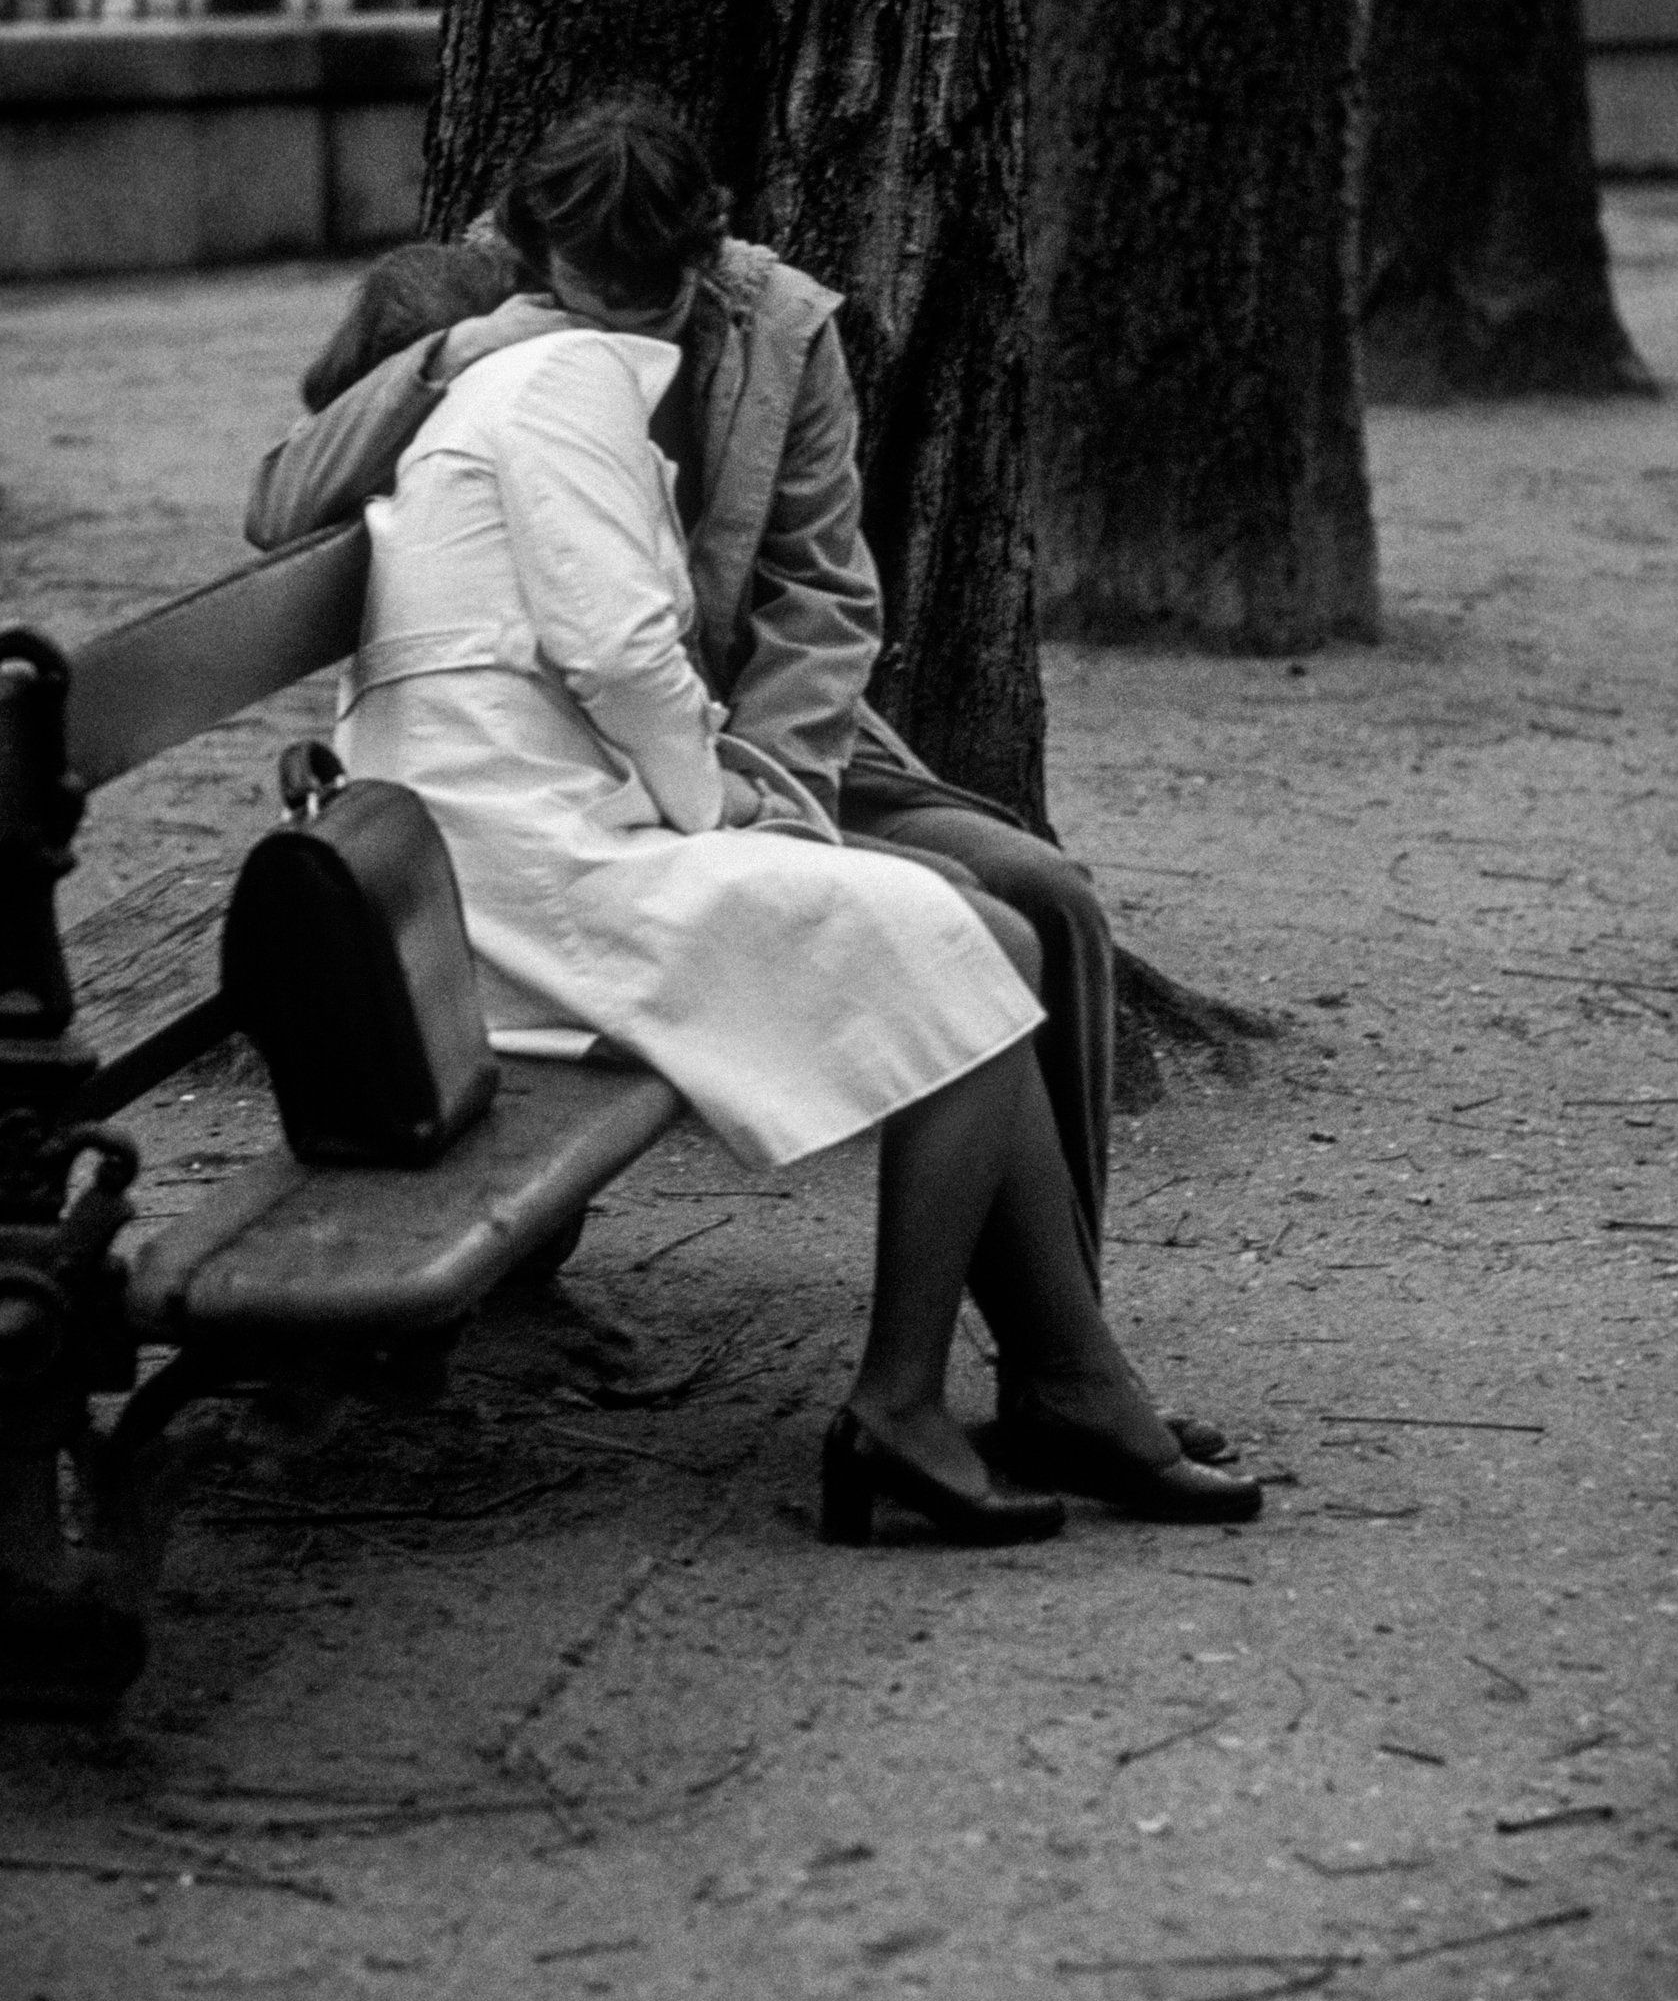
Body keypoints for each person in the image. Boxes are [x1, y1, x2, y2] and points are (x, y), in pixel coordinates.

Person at [249, 100, 1256, 1519]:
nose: (625, 289)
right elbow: (400, 557)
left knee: (1036, 903)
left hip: (730, 759)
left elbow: (818, 601)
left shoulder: (773, 325)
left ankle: (1052, 1376)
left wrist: (764, 792)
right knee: (973, 929)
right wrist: (460, 349)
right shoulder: (507, 341)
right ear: (527, 250)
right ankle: (966, 1397)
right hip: (592, 806)